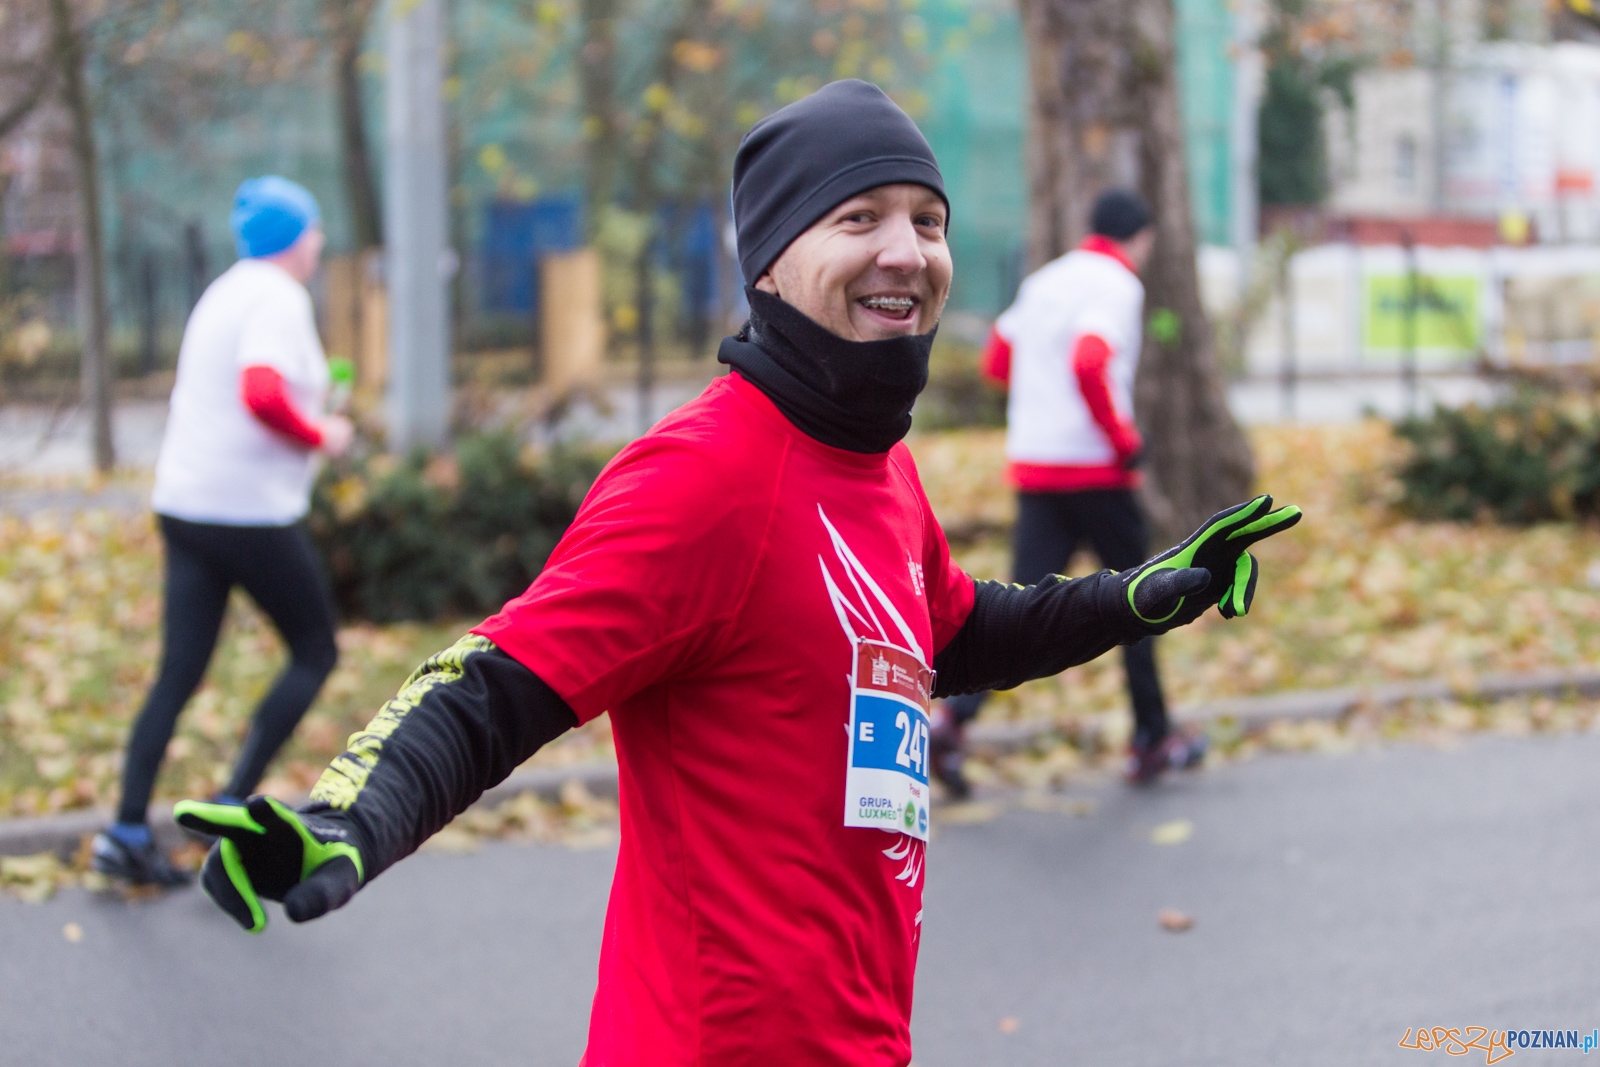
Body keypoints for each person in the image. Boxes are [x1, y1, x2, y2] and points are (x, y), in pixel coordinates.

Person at [175, 83, 1299, 1065]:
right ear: (767, 261)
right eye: (858, 218)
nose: (904, 249)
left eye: (927, 219)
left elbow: (947, 634)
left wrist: (1137, 594)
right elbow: (494, 686)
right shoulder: (703, 478)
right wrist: (347, 820)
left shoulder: (876, 466)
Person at [91, 177, 353, 886]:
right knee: (315, 648)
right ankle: (232, 804)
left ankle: (124, 829)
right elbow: (262, 391)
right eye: (315, 230)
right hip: (249, 514)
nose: (320, 242)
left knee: (179, 671)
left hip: (186, 504)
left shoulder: (226, 290)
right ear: (295, 238)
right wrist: (320, 433)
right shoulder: (277, 295)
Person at [932, 189, 1195, 793]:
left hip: (1037, 465)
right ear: (1142, 237)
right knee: (1143, 601)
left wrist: (1041, 409)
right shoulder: (1119, 285)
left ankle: (953, 722)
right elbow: (1089, 359)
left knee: (1019, 613)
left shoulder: (1046, 280)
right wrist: (1123, 439)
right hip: (1098, 472)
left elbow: (997, 360)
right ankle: (1152, 737)